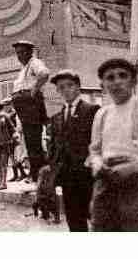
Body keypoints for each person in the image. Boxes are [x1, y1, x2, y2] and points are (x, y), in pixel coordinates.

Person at [87, 59, 138, 231]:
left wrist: (135, 167)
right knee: (101, 228)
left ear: (133, 81)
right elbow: (94, 150)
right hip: (105, 181)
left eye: (122, 76)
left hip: (135, 182)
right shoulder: (102, 113)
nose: (116, 82)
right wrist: (98, 164)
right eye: (110, 78)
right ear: (103, 84)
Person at [47, 69, 100, 231]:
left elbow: (98, 141)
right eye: (61, 87)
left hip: (87, 176)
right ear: (57, 91)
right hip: (67, 178)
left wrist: (91, 162)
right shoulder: (56, 117)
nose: (66, 90)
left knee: (96, 218)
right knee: (74, 220)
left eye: (70, 85)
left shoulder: (92, 110)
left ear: (78, 87)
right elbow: (54, 145)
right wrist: (54, 167)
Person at [11, 40, 49, 184]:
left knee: (33, 142)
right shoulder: (24, 68)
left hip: (31, 107)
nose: (19, 56)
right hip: (24, 108)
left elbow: (44, 74)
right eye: (17, 53)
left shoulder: (34, 62)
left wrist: (33, 91)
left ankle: (38, 175)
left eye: (22, 52)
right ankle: (35, 173)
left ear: (30, 52)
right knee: (29, 142)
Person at [1, 97, 28, 181]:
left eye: (7, 105)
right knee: (12, 157)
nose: (5, 107)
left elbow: (17, 126)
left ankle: (22, 173)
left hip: (15, 137)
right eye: (4, 105)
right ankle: (16, 174)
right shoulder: (4, 114)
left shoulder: (15, 113)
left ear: (11, 105)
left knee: (16, 156)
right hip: (7, 138)